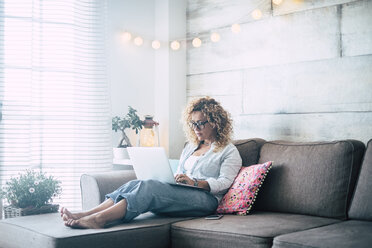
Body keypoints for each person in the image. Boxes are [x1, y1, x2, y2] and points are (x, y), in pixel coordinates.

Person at [61, 96, 242, 229]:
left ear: (215, 123)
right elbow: (180, 171)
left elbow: (225, 182)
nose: (196, 129)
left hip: (207, 201)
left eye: (201, 123)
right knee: (137, 183)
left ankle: (99, 219)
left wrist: (195, 182)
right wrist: (175, 178)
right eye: (193, 123)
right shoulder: (190, 147)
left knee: (149, 188)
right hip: (184, 192)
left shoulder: (228, 150)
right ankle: (86, 213)